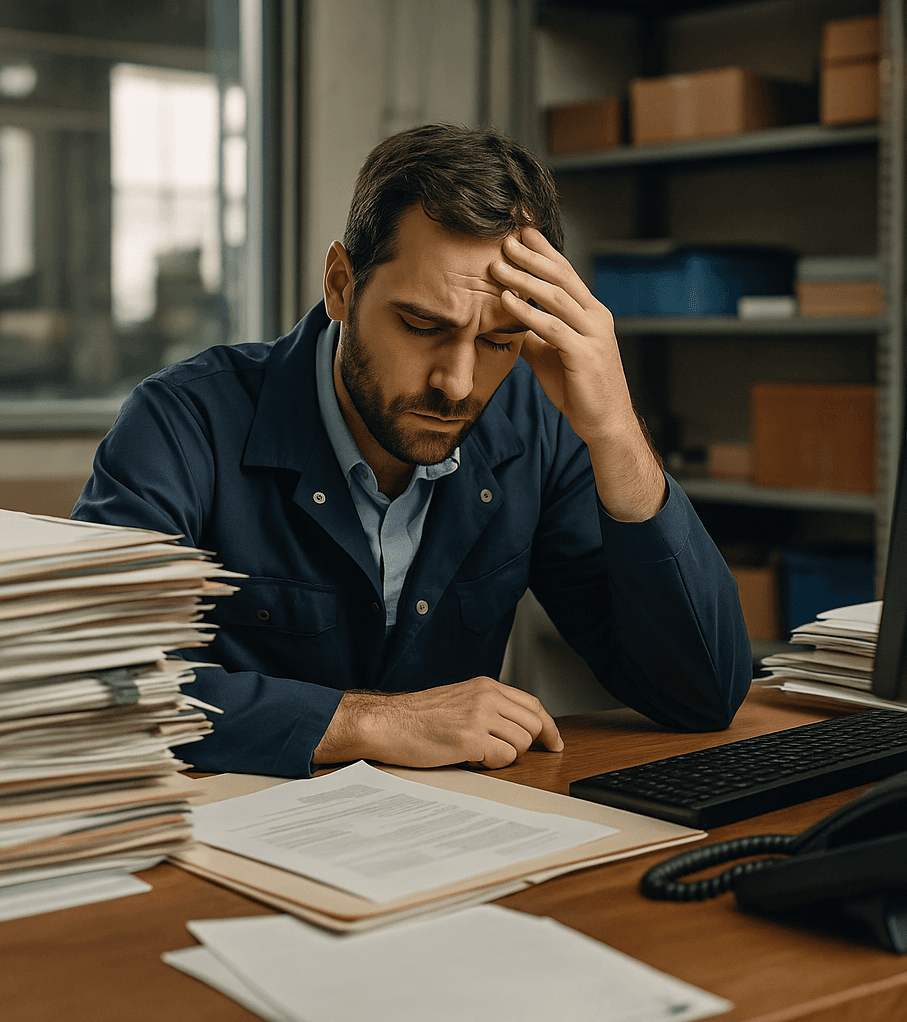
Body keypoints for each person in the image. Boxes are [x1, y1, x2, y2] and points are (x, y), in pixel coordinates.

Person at [73, 123, 751, 777]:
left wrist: (615, 433)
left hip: (444, 848)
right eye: (423, 325)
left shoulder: (537, 425)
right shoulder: (181, 421)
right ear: (341, 283)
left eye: (498, 342)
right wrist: (365, 723)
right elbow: (93, 684)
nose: (456, 385)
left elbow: (702, 696)